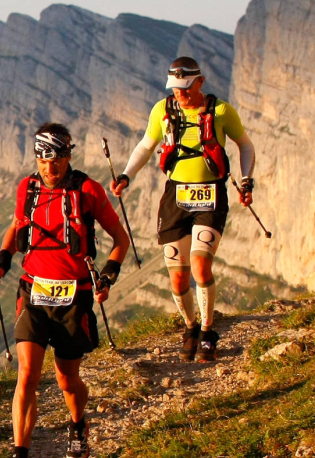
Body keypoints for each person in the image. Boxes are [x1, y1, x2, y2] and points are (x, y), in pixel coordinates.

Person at [0, 123, 130, 458]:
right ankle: (20, 450)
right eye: (43, 161)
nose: (49, 168)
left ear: (67, 156)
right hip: (33, 291)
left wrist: (107, 277)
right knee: (27, 376)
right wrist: (1, 262)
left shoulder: (89, 190)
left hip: (73, 296)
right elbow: (17, 227)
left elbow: (120, 241)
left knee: (67, 381)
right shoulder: (28, 188)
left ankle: (78, 423)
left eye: (56, 161)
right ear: (37, 158)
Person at [110, 56, 256, 362]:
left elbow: (245, 145)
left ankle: (207, 331)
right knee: (177, 278)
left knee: (201, 266)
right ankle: (189, 326)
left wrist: (246, 181)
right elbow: (146, 146)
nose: (181, 94)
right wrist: (126, 175)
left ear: (200, 82)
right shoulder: (162, 111)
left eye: (186, 88)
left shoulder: (221, 111)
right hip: (175, 196)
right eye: (176, 88)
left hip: (211, 194)